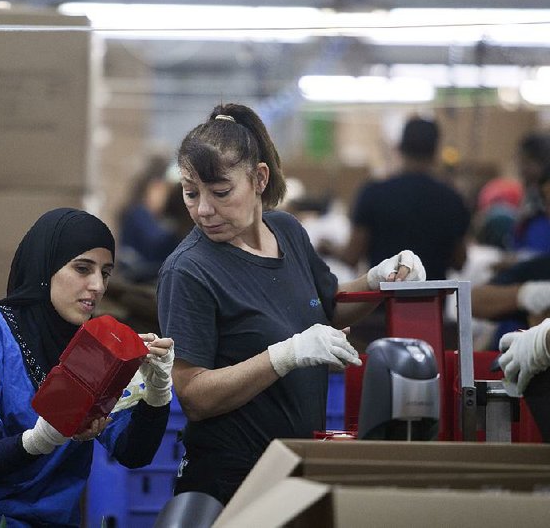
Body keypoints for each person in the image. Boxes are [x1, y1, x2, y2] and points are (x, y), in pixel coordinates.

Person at [156, 103, 426, 505]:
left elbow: (327, 308)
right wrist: (286, 355)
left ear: (259, 178)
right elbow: (194, 395)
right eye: (191, 193)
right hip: (232, 479)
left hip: (299, 465)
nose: (203, 210)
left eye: (221, 192)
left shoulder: (287, 232)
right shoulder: (189, 271)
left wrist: (378, 282)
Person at [0, 207, 175, 527]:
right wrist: (39, 439)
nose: (98, 286)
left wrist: (158, 393)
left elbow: (133, 453)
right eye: (83, 269)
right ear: (45, 267)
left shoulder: (97, 349)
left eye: (105, 272)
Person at [325, 116, 470, 281]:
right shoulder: (452, 199)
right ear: (435, 150)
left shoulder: (374, 193)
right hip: (432, 303)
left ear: (400, 147)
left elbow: (351, 257)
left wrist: (329, 249)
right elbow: (460, 261)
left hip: (381, 302)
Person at [117, 153, 182, 284]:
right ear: (153, 188)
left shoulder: (155, 218)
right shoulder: (139, 214)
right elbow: (156, 245)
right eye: (165, 190)